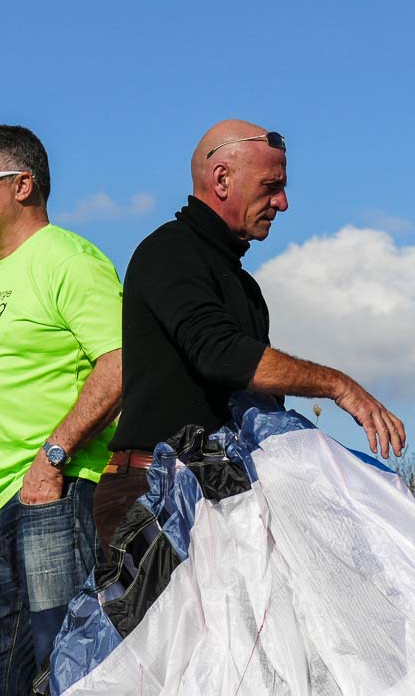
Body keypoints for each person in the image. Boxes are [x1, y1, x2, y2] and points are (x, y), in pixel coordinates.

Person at [95, 118, 406, 549]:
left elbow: (254, 404)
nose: (283, 203)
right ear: (222, 179)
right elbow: (221, 354)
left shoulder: (244, 286)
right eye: (271, 186)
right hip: (156, 498)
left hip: (219, 494)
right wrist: (338, 386)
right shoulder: (170, 251)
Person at [0, 124, 123, 695]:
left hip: (53, 497)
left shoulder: (69, 259)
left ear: (22, 184)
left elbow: (121, 363)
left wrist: (51, 460)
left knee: (70, 673)